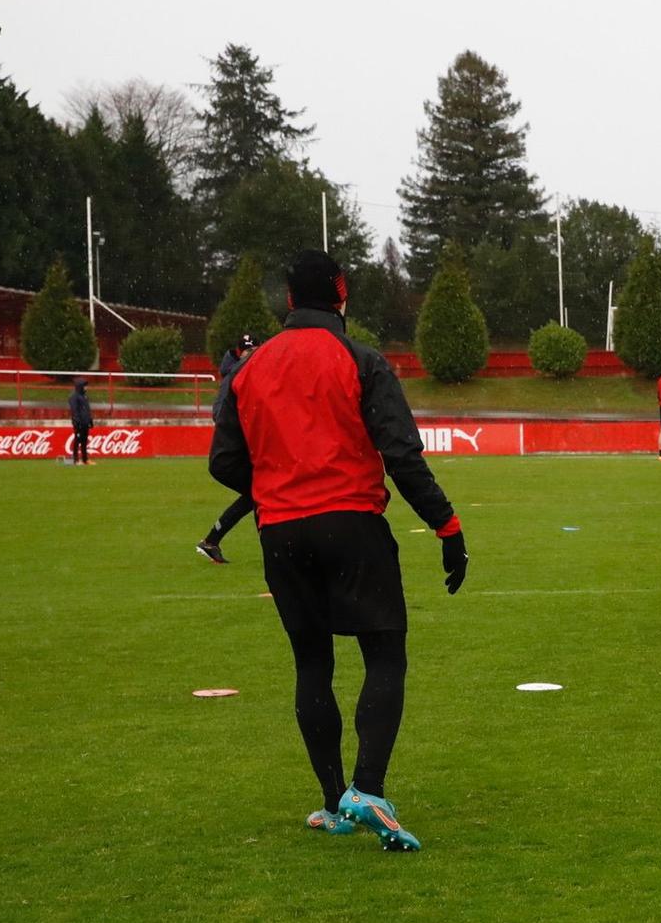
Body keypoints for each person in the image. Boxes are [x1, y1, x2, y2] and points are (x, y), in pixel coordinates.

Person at [207, 250, 467, 852]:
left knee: (311, 663)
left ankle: (333, 804)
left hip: (280, 531)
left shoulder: (249, 368)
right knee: (385, 655)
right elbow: (401, 454)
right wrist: (447, 527)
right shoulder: (361, 359)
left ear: (289, 299)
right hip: (351, 522)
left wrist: (276, 484)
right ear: (342, 293)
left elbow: (223, 460)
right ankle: (368, 787)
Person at [198, 334, 261, 564]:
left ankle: (211, 540)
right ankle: (273, 550)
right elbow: (219, 413)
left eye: (254, 348)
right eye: (247, 349)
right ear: (239, 352)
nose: (250, 352)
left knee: (256, 495)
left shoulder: (242, 375)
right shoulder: (234, 377)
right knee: (259, 494)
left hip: (233, 454)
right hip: (230, 456)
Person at [67, 376, 93, 465]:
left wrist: (90, 420)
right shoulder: (74, 397)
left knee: (84, 441)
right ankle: (75, 459)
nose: (86, 388)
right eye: (85, 386)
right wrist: (77, 421)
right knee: (78, 440)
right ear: (80, 386)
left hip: (85, 422)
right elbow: (75, 410)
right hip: (79, 423)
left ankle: (85, 459)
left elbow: (87, 409)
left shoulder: (84, 396)